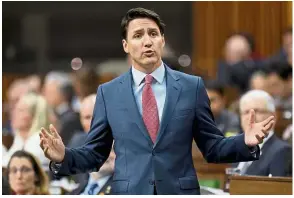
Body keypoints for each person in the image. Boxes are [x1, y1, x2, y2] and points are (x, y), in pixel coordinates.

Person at [39, 7, 275, 195]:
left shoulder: (191, 87)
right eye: (138, 35)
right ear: (126, 45)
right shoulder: (108, 93)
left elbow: (212, 148)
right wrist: (64, 156)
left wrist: (245, 141)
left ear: (162, 40)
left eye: (153, 34)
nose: (147, 41)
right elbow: (94, 155)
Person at [236, 90, 292, 177]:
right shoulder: (237, 149)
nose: (250, 117)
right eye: (246, 112)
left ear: (273, 116)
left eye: (256, 111)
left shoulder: (282, 151)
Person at [3, 92, 51, 171]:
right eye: (15, 109)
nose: (14, 113)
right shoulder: (20, 139)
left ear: (34, 116)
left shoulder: (39, 141)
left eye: (20, 110)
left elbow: (12, 169)